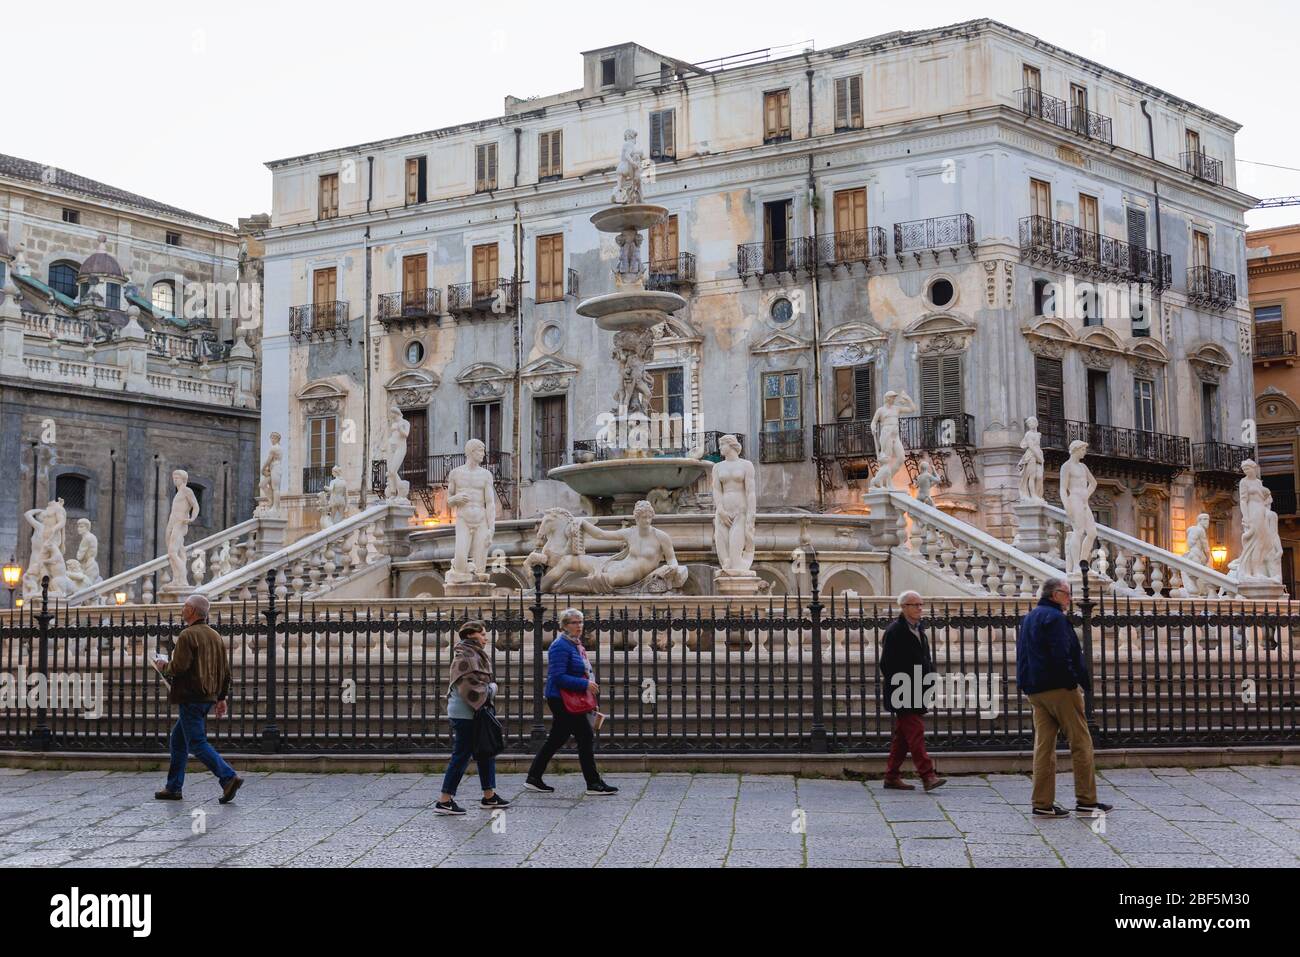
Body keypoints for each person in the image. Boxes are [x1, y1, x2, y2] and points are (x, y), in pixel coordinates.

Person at [1016, 578, 1112, 818]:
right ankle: (1086, 800)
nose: (1070, 599)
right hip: (1059, 688)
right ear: (1055, 594)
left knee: (1043, 747)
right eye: (1067, 594)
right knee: (1081, 742)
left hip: (1035, 689)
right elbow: (1063, 652)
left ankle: (1042, 803)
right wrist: (1073, 680)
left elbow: (1023, 654)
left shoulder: (1029, 618)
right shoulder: (1056, 618)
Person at [155, 594, 243, 803]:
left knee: (196, 743)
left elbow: (179, 667)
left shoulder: (188, 635)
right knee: (178, 740)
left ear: (193, 611)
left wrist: (163, 666)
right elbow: (226, 671)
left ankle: (228, 777)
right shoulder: (215, 636)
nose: (182, 609)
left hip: (191, 696)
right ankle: (173, 787)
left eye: (185, 606)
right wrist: (221, 698)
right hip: (207, 696)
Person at [525, 608, 618, 795]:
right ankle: (593, 783)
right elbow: (558, 677)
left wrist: (589, 695)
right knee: (585, 736)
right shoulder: (560, 646)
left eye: (581, 622)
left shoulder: (575, 644)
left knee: (557, 739)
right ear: (564, 625)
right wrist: (585, 685)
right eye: (574, 622)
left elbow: (584, 671)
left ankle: (534, 778)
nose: (579, 626)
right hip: (561, 699)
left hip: (572, 698)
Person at [436, 620, 510, 815]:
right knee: (461, 755)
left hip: (474, 713)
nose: (486, 637)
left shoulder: (472, 654)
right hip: (465, 714)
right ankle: (444, 800)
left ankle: (489, 796)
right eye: (483, 634)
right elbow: (471, 689)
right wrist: (492, 689)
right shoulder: (466, 657)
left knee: (486, 753)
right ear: (470, 635)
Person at [878, 591, 946, 792]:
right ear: (904, 607)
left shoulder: (918, 629)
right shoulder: (895, 631)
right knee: (915, 733)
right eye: (915, 604)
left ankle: (891, 776)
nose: (919, 608)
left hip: (918, 688)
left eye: (921, 604)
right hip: (903, 690)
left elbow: (925, 659)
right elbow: (886, 664)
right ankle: (927, 775)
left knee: (903, 737)